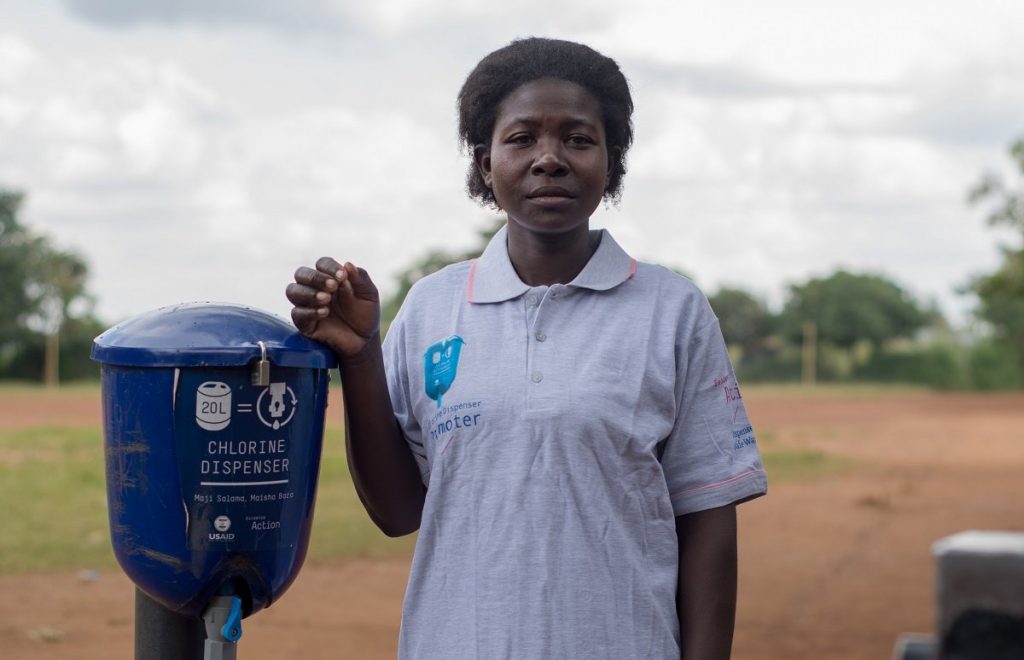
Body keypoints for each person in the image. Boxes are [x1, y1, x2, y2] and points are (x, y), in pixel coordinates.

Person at [286, 37, 767, 660]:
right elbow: (398, 511)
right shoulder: (432, 308)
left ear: (611, 161)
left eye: (578, 138)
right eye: (522, 139)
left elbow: (707, 518)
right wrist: (360, 357)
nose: (549, 159)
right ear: (486, 163)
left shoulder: (671, 309)